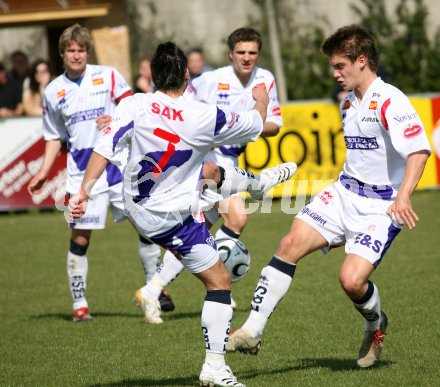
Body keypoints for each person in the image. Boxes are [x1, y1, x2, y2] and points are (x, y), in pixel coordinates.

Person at [69, 41, 295, 387]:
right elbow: (257, 122)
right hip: (169, 215)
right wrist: (261, 97)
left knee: (208, 170)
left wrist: (84, 190)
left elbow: (104, 146)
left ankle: (259, 183)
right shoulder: (203, 115)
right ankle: (215, 368)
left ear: (153, 78)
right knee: (219, 281)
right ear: (188, 76)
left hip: (138, 201)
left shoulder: (134, 104)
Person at [227, 24, 431, 369]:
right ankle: (251, 330)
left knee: (351, 281)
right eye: (333, 67)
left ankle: (375, 322)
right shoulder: (348, 102)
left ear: (361, 60)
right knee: (288, 244)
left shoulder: (391, 101)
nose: (334, 73)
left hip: (381, 207)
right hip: (343, 193)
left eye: (340, 66)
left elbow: (419, 152)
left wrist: (405, 197)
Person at [27, 24, 173, 322]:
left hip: (118, 167)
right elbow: (54, 136)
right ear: (62, 53)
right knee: (80, 239)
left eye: (81, 50)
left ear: (87, 52)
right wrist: (43, 170)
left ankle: (155, 290)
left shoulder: (108, 76)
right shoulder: (54, 91)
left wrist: (115, 116)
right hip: (82, 176)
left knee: (147, 227)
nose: (76, 55)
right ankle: (80, 305)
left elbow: (134, 106)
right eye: (71, 50)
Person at [141, 27, 285, 311]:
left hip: (232, 159)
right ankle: (218, 281)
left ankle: (153, 288)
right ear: (230, 54)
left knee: (197, 230)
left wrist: (250, 122)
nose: (247, 58)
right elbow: (178, 103)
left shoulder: (265, 79)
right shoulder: (210, 80)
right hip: (208, 159)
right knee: (237, 218)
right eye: (241, 52)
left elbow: (275, 126)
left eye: (252, 53)